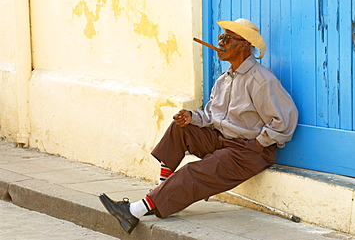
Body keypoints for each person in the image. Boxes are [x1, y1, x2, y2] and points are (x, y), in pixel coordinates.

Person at [99, 18, 298, 234]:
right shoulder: (225, 79)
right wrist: (192, 117)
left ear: (244, 44)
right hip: (222, 140)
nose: (221, 42)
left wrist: (259, 144)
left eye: (227, 38)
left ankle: (135, 211)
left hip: (248, 151)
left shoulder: (261, 80)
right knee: (180, 129)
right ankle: (159, 194)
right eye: (221, 37)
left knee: (193, 172)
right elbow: (213, 116)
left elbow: (284, 120)